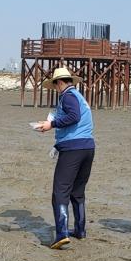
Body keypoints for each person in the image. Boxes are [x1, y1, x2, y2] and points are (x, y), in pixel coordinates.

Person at [36, 67, 95, 249]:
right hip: (88, 146)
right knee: (77, 191)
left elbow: (73, 117)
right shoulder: (79, 96)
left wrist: (51, 124)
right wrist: (56, 143)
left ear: (59, 83)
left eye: (55, 86)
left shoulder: (68, 96)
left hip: (73, 148)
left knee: (60, 191)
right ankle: (80, 230)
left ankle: (62, 233)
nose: (55, 89)